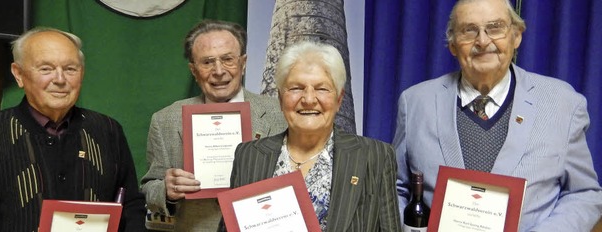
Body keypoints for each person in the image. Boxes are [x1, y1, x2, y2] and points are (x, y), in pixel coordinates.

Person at [393, 0, 602, 231]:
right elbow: (396, 188)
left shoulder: (563, 104)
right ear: (453, 44)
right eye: (469, 30)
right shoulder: (415, 103)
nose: (483, 41)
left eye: (495, 28)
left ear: (516, 36)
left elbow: (584, 193)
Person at [0, 27, 147, 231]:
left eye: (70, 69)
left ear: (82, 74)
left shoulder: (108, 131)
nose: (60, 79)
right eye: (46, 69)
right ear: (18, 74)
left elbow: (131, 208)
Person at [221, 41, 401, 231]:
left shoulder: (375, 156)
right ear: (281, 99)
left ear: (338, 99)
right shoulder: (248, 155)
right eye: (296, 88)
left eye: (321, 89)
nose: (308, 99)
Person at [140, 20, 287, 231]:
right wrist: (165, 190)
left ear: (243, 63)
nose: (219, 71)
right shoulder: (165, 120)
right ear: (193, 69)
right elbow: (148, 188)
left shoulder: (279, 113)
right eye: (207, 62)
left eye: (228, 59)